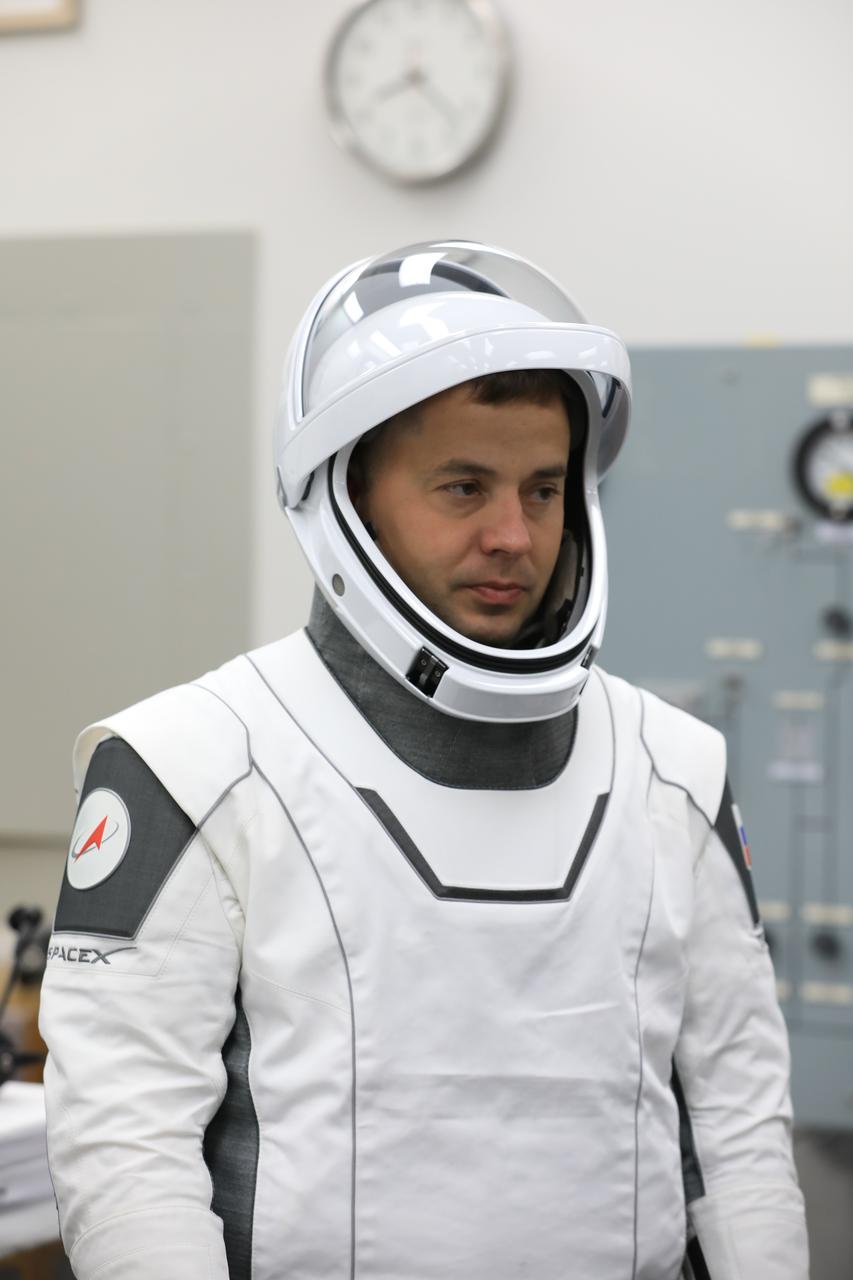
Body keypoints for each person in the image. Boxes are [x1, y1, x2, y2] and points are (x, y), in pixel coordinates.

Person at [39, 241, 808, 1280]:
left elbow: (740, 1128)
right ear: (345, 497)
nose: (512, 534)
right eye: (461, 486)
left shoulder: (674, 766)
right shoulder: (189, 763)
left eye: (543, 488)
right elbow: (127, 1153)